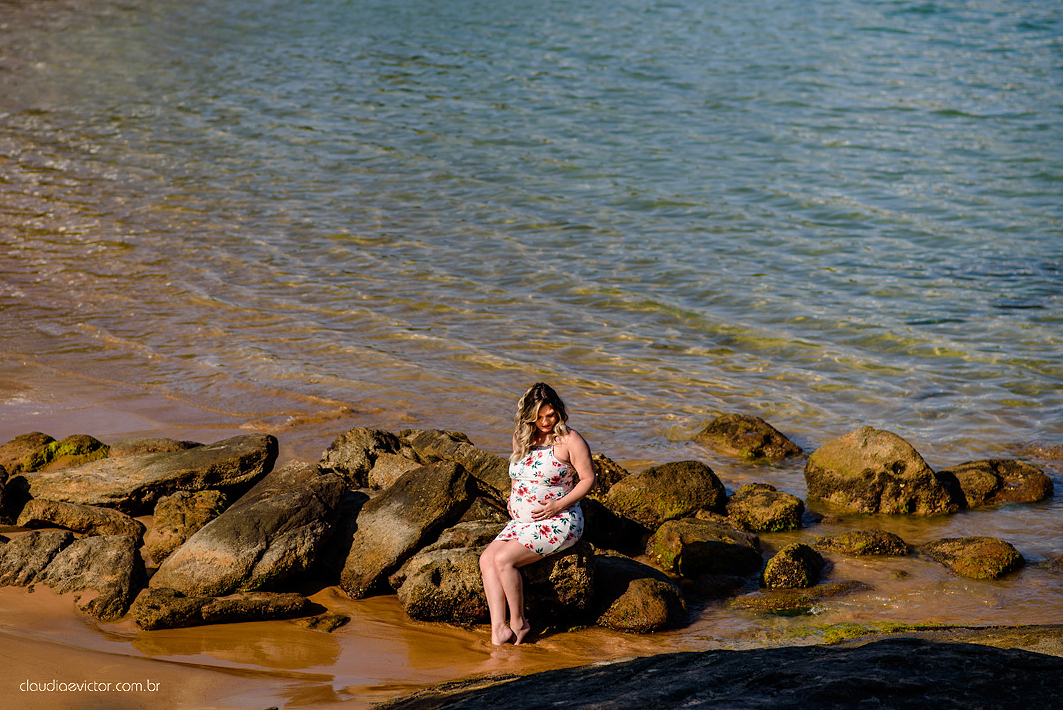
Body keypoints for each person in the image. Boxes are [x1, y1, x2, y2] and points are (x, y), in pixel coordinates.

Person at [479, 382, 595, 645]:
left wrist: (558, 505)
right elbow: (517, 473)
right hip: (522, 521)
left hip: (559, 520)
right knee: (486, 560)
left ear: (559, 412)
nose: (545, 422)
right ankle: (499, 628)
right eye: (539, 417)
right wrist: (512, 496)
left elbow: (588, 479)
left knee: (504, 561)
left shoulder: (569, 440)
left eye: (551, 415)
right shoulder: (522, 438)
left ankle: (519, 623)